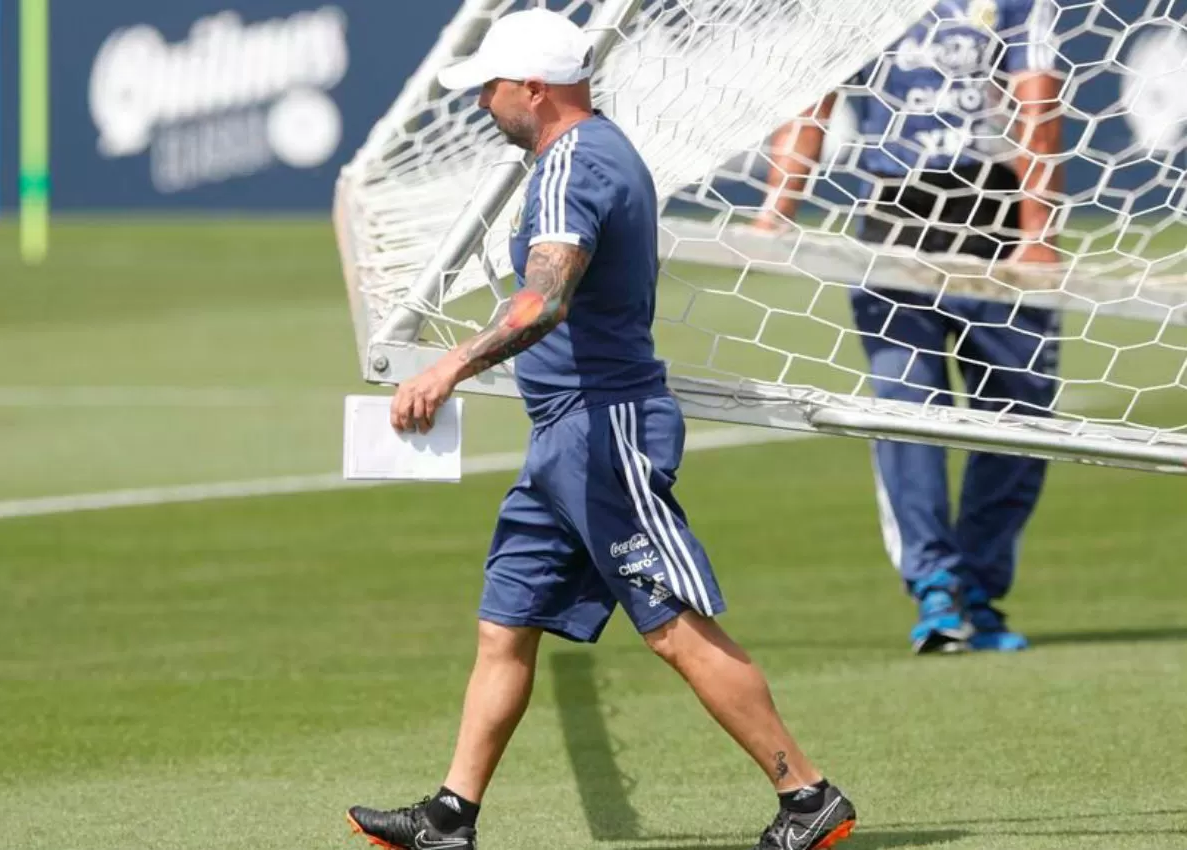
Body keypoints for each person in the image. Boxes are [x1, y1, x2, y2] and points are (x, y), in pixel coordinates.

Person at [344, 9, 857, 850]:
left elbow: (544, 302)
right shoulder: (596, 149)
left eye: (490, 90)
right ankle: (450, 816)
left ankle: (808, 795)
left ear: (534, 89)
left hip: (601, 431)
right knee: (503, 623)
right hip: (566, 435)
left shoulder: (570, 166)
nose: (481, 107)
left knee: (672, 625)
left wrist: (445, 367)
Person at [754, 0, 1064, 654]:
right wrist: (773, 216)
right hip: (896, 220)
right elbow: (816, 96)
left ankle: (980, 586)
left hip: (996, 218)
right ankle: (936, 587)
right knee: (908, 411)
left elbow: (1037, 95)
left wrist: (1039, 231)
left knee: (1022, 414)